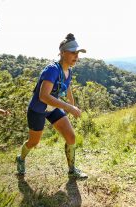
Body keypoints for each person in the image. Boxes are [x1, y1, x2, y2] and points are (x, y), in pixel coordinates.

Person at [16, 33, 88, 178]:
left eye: (78, 53)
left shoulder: (69, 70)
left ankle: (72, 170)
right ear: (62, 52)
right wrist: (68, 107)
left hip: (53, 108)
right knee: (34, 142)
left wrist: (72, 104)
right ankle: (21, 158)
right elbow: (44, 96)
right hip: (37, 110)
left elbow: (66, 87)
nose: (76, 56)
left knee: (71, 137)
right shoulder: (52, 70)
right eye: (73, 53)